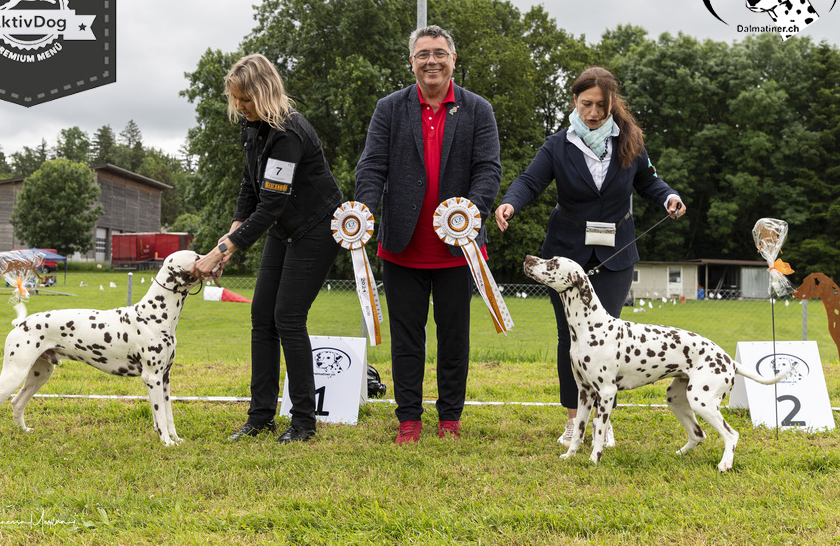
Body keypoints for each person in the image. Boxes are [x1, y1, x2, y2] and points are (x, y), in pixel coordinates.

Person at [494, 66, 686, 446]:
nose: (594, 112)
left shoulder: (630, 140)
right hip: (566, 256)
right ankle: (572, 421)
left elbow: (649, 181)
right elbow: (530, 181)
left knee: (608, 339)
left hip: (616, 254)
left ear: (612, 103)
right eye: (586, 104)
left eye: (600, 105)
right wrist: (510, 205)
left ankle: (603, 419)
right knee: (572, 340)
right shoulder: (558, 144)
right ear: (575, 102)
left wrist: (669, 197)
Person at [355, 26, 502, 444]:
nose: (431, 61)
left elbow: (488, 169)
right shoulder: (389, 108)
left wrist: (470, 213)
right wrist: (363, 211)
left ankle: (450, 419)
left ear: (453, 59)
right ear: (412, 62)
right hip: (402, 246)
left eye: (439, 53)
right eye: (423, 55)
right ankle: (409, 420)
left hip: (460, 248)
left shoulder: (478, 109)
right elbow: (371, 167)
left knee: (454, 338)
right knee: (407, 338)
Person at [192, 53, 342, 444]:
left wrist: (224, 249)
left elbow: (272, 203)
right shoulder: (251, 127)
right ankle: (260, 417)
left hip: (317, 228)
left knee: (288, 317)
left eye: (245, 99)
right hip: (283, 227)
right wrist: (228, 239)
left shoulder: (289, 133)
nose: (239, 107)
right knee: (262, 315)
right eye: (236, 100)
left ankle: (304, 422)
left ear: (263, 92)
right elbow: (249, 188)